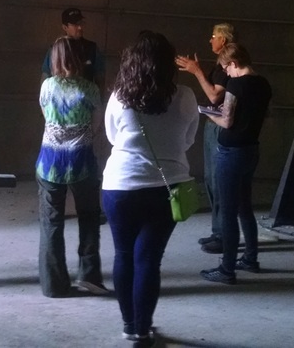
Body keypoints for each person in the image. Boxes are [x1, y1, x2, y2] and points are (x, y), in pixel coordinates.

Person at [103, 31, 199, 345]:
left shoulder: (119, 96)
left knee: (124, 255)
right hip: (167, 188)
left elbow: (112, 138)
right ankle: (143, 329)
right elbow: (187, 140)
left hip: (120, 187)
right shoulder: (184, 96)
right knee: (148, 260)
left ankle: (129, 324)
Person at [36, 36, 107, 297]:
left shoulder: (46, 87)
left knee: (51, 221)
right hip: (82, 161)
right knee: (89, 217)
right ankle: (89, 274)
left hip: (50, 163)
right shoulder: (90, 90)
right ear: (78, 59)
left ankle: (53, 284)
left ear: (54, 60)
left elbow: (46, 116)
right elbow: (97, 125)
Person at [198, 43, 271, 285]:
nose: (225, 73)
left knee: (228, 212)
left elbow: (227, 120)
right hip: (252, 149)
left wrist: (206, 112)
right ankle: (250, 258)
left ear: (233, 63)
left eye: (225, 68)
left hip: (231, 152)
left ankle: (227, 268)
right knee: (244, 207)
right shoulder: (263, 84)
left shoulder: (237, 84)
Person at [175, 22, 234, 254]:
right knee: (211, 180)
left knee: (218, 181)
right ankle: (217, 231)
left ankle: (222, 235)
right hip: (213, 124)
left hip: (220, 126)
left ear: (225, 40)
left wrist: (196, 71)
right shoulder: (220, 64)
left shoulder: (226, 65)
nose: (210, 40)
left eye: (214, 36)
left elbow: (214, 95)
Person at [41, 7, 105, 91]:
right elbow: (45, 77)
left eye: (81, 23)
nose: (80, 27)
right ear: (65, 27)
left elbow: (99, 79)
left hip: (85, 100)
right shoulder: (55, 50)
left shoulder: (92, 49)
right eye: (75, 24)